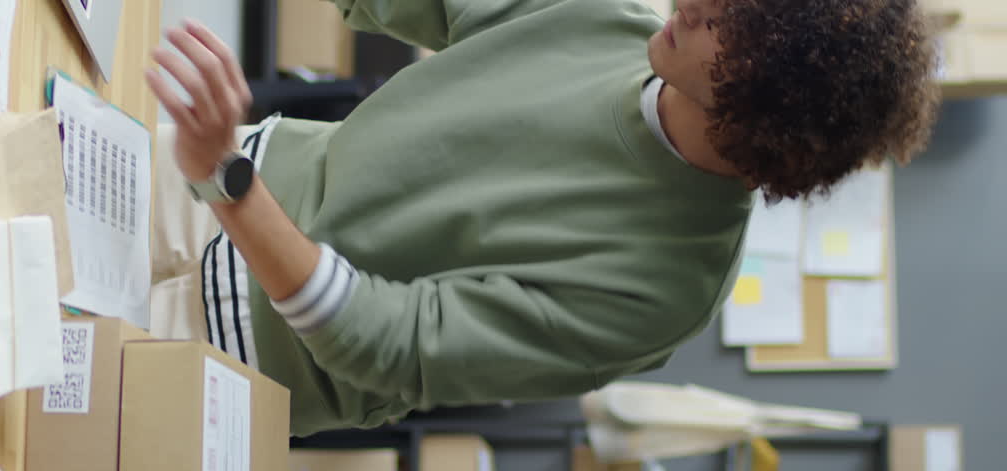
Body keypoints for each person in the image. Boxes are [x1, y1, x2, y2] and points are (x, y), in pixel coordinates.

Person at [143, 0, 940, 437]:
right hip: (206, 178)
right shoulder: (612, 23)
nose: (695, 3)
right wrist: (224, 173)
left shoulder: (665, 288)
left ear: (776, 100)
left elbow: (388, 343)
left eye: (733, 23)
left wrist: (231, 182)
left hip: (228, 342)